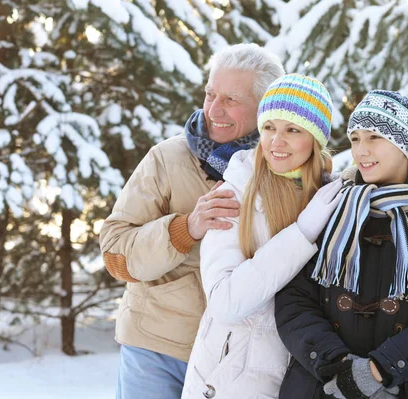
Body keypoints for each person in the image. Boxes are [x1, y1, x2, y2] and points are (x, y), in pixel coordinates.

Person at [98, 43, 285, 399]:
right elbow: (115, 257)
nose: (214, 109)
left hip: (239, 356)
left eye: (231, 100)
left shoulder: (283, 167)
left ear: (266, 106)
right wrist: (186, 228)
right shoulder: (166, 159)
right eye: (210, 94)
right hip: (159, 348)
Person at [275, 90, 408, 399]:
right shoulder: (330, 206)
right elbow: (294, 297)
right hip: (322, 386)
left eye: (374, 137)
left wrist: (380, 371)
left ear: (405, 144)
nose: (361, 151)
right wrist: (339, 368)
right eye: (354, 139)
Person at [181, 74, 344, 399]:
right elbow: (225, 302)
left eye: (292, 130)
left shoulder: (332, 199)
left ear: (314, 138)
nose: (276, 142)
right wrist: (301, 235)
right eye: (269, 127)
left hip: (302, 381)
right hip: (232, 382)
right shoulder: (234, 194)